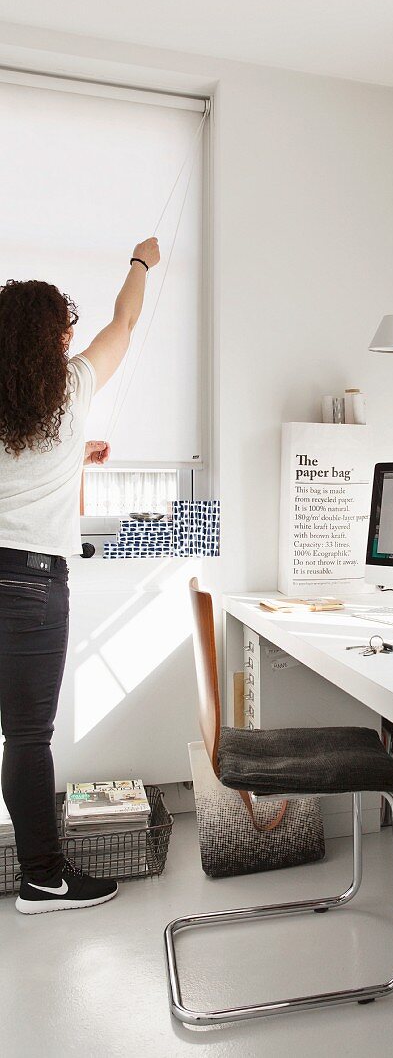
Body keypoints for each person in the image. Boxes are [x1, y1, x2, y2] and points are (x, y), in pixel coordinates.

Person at [0, 238, 161, 914]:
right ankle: (43, 879)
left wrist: (75, 462)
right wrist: (140, 263)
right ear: (55, 337)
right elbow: (123, 323)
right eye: (65, 327)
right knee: (27, 737)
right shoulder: (72, 388)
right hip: (32, 587)